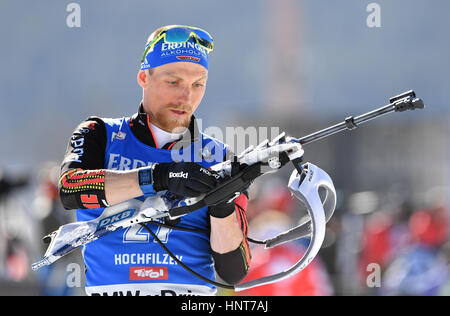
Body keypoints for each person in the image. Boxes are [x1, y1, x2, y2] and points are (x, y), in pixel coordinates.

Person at [58, 25, 251, 296]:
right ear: (143, 77)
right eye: (174, 82)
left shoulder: (220, 157)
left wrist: (222, 207)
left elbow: (234, 271)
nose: (187, 97)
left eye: (198, 85)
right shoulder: (99, 133)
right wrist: (159, 177)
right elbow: (70, 190)